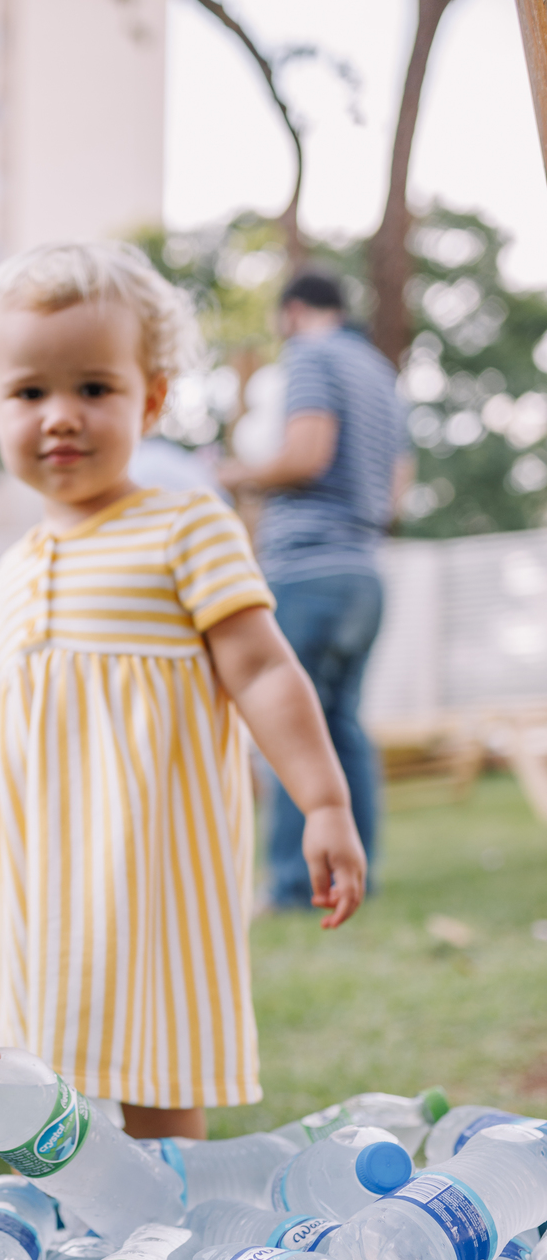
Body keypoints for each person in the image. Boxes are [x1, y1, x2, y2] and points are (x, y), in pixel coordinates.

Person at [0, 242, 365, 1142]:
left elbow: (260, 667)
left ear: (153, 401)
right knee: (46, 1051)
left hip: (150, 861)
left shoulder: (184, 525)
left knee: (153, 1046)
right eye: (30, 393)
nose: (61, 415)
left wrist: (323, 801)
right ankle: (73, 1233)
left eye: (94, 388)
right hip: (42, 872)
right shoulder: (16, 565)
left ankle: (169, 1235)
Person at [219, 270, 411, 909]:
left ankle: (298, 885)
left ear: (294, 311)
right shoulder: (378, 371)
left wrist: (236, 473)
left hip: (307, 567)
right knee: (344, 725)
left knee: (287, 722)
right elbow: (399, 484)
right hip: (364, 569)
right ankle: (359, 873)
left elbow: (306, 453)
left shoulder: (310, 353)